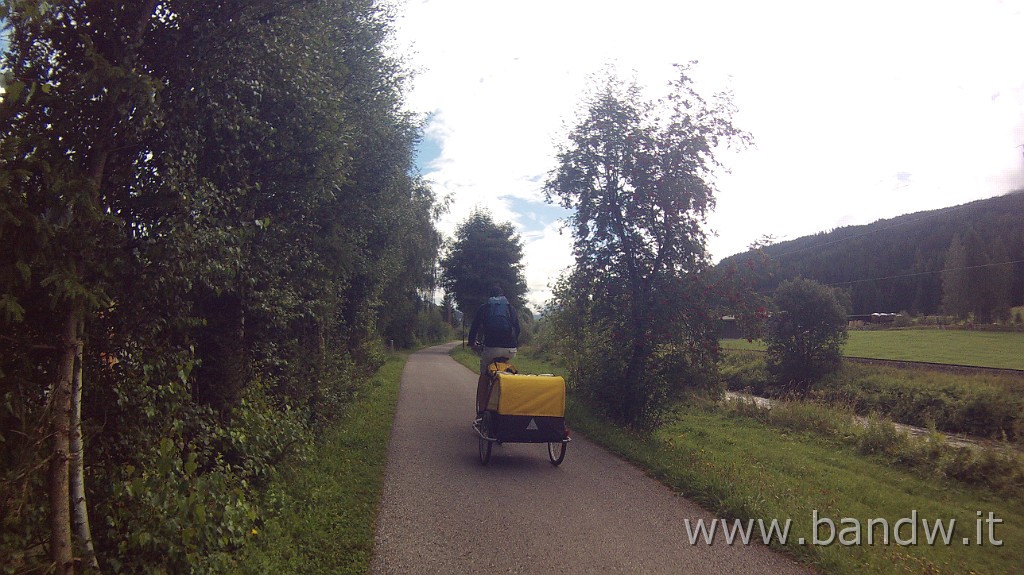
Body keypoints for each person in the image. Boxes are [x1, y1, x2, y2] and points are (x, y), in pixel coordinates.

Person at [467, 284, 521, 415]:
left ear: (490, 297)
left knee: (484, 376)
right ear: (503, 296)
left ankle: (481, 412)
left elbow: (474, 327)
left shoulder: (485, 308)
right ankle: (509, 407)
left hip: (491, 348)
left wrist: (472, 343)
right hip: (510, 350)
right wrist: (513, 344)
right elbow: (518, 329)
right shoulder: (510, 308)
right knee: (507, 373)